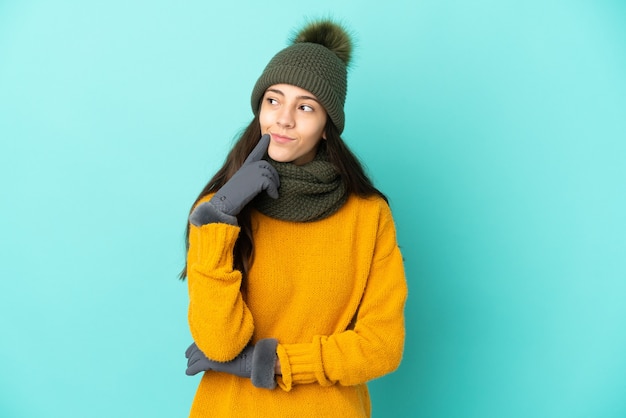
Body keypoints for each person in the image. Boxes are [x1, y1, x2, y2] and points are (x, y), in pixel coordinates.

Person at [180, 18, 408, 417]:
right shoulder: (218, 207)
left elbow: (381, 346)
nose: (283, 119)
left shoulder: (368, 214)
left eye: (305, 107)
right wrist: (220, 217)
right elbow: (219, 344)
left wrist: (271, 364)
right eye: (273, 100)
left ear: (326, 127)